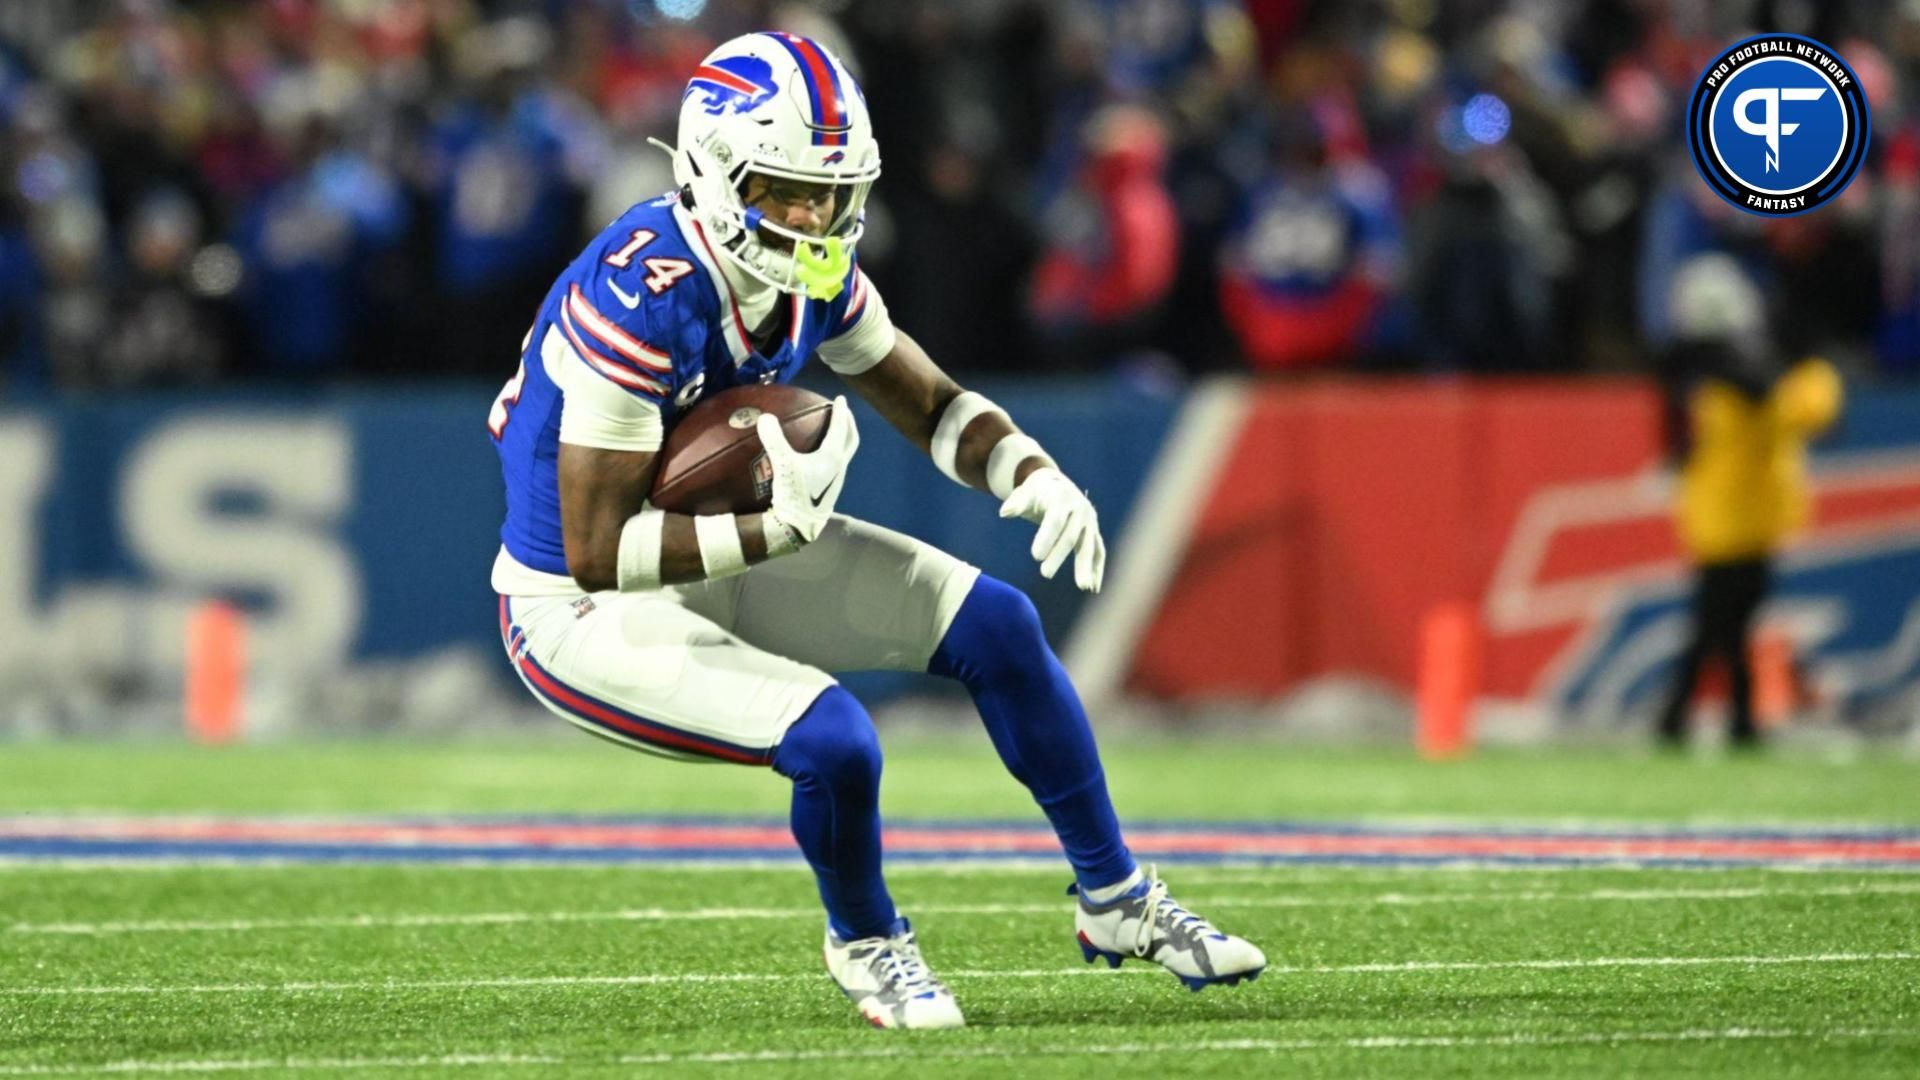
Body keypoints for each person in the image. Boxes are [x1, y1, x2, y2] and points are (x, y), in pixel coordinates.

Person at [487, 32, 1264, 1031]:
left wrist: (1026, 467)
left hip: (707, 546)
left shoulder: (808, 272)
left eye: (828, 191)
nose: (811, 217)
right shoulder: (641, 298)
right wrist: (772, 530)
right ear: (715, 175)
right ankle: (867, 946)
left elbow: (928, 401)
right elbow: (598, 552)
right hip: (576, 606)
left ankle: (1117, 900)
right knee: (836, 741)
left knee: (1000, 627)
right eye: (783, 190)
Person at [1656, 255, 1842, 749]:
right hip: (1737, 514)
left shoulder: (1699, 369)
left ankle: (1712, 718)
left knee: (1722, 624)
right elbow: (1801, 410)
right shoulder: (1739, 372)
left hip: (1727, 513)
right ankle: (1711, 719)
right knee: (1723, 623)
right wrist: (1808, 367)